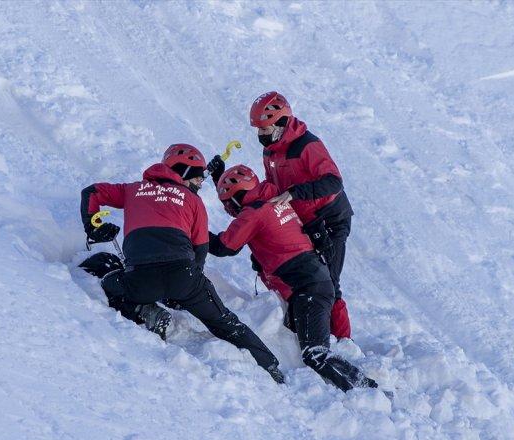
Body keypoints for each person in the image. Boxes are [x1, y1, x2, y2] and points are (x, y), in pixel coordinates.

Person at [80, 144, 284, 384]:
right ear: (184, 173)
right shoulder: (193, 201)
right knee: (225, 322)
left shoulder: (133, 189)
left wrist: (93, 228)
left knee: (105, 272)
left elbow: (91, 192)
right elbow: (200, 249)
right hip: (184, 276)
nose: (199, 183)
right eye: (197, 178)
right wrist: (185, 290)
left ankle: (142, 310)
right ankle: (271, 367)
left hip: (141, 279)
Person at [207, 164, 376, 392]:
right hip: (312, 284)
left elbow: (224, 246)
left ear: (235, 199)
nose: (228, 209)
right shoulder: (274, 200)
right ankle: (360, 387)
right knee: (301, 346)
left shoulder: (254, 212)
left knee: (314, 354)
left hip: (308, 288)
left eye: (228, 203)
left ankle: (364, 390)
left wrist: (189, 230)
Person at [247, 91, 355, 342]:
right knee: (304, 277)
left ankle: (344, 343)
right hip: (304, 220)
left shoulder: (307, 145)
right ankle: (305, 326)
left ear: (282, 122)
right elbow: (273, 187)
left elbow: (333, 182)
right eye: (259, 130)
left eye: (265, 128)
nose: (261, 135)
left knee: (329, 283)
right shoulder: (271, 152)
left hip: (330, 219)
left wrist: (296, 192)